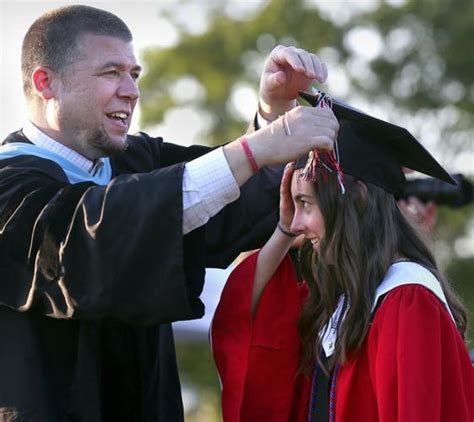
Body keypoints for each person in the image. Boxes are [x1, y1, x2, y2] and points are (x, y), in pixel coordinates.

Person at [0, 5, 340, 421]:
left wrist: (272, 116)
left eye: (134, 74)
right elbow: (95, 238)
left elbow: (228, 199)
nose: (131, 90)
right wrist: (256, 149)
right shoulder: (10, 189)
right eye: (111, 73)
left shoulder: (135, 161)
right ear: (46, 83)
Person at [211, 91, 474, 421]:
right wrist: (283, 230)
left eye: (305, 204)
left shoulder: (407, 298)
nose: (299, 222)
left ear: (358, 199)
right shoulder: (339, 301)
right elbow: (244, 316)